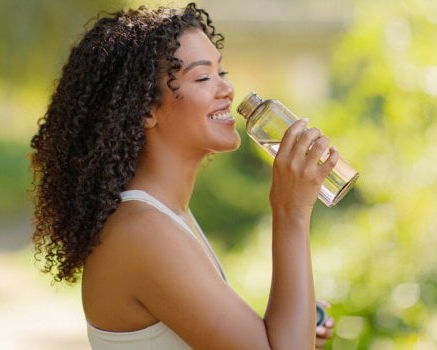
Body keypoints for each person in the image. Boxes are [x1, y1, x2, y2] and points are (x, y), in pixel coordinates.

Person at [31, 3, 336, 349]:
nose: (227, 89)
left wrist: (294, 322)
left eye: (222, 72)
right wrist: (290, 212)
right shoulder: (143, 232)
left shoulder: (166, 215)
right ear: (146, 108)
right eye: (203, 77)